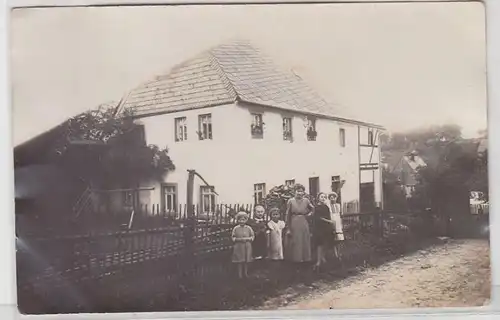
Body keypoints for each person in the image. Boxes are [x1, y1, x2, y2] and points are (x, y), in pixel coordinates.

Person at [285, 184, 314, 264]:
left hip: (304, 221)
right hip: (294, 221)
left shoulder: (306, 200)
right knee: (296, 241)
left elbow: (313, 208)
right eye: (298, 191)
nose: (299, 193)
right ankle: (296, 260)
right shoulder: (291, 201)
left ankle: (305, 259)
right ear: (295, 192)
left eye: (301, 191)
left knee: (304, 240)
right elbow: (287, 214)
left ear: (303, 192)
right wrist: (288, 228)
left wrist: (310, 214)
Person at [313, 192, 334, 270]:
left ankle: (323, 258)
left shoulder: (326, 207)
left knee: (326, 243)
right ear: (318, 198)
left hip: (326, 227)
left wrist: (330, 223)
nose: (323, 198)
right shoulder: (317, 207)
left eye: (325, 197)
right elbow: (319, 218)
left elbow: (328, 216)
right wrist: (328, 221)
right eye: (322, 197)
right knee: (320, 244)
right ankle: (318, 261)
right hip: (319, 227)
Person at [231, 211, 255, 278]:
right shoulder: (236, 228)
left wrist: (248, 239)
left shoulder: (249, 228)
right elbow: (233, 237)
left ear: (246, 220)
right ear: (238, 220)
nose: (242, 221)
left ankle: (246, 273)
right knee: (240, 261)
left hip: (247, 246)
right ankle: (240, 274)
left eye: (243, 219)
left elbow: (252, 236)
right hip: (239, 246)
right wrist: (239, 240)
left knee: (246, 261)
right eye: (240, 219)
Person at [329, 192, 345, 263]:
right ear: (329, 199)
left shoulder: (338, 205)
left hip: (338, 223)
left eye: (334, 197)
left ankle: (340, 254)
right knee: (334, 239)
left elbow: (340, 215)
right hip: (332, 222)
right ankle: (335, 255)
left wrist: (341, 223)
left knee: (340, 239)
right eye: (331, 197)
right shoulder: (328, 206)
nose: (333, 199)